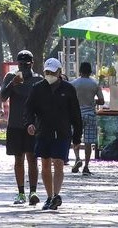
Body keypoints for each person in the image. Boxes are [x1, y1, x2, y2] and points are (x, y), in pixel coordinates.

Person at [25, 57, 81, 212]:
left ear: (59, 72)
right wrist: (30, 123)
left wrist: (77, 136)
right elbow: (29, 109)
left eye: (52, 72)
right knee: (45, 163)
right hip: (43, 131)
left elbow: (75, 114)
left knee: (58, 163)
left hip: (62, 132)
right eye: (47, 72)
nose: (49, 74)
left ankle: (56, 195)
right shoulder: (37, 88)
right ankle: (49, 196)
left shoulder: (68, 89)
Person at [0, 50, 41, 206]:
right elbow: (3, 96)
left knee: (32, 159)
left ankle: (33, 191)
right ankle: (21, 192)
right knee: (18, 159)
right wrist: (12, 84)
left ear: (32, 63)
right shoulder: (11, 77)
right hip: (15, 124)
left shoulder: (38, 79)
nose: (23, 66)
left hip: (31, 125)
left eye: (26, 63)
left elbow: (42, 103)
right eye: (20, 63)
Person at [69, 61, 104, 175]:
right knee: (88, 141)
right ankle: (86, 166)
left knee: (76, 138)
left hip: (76, 115)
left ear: (80, 71)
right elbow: (102, 101)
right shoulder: (94, 84)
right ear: (90, 71)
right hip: (90, 114)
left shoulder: (73, 83)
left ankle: (78, 158)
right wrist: (93, 101)